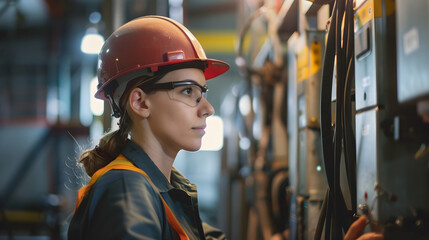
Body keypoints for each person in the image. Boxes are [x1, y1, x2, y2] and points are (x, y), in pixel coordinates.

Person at [68, 15, 383, 240]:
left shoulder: (165, 187)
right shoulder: (127, 190)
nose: (208, 108)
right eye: (188, 91)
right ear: (140, 102)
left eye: (202, 93)